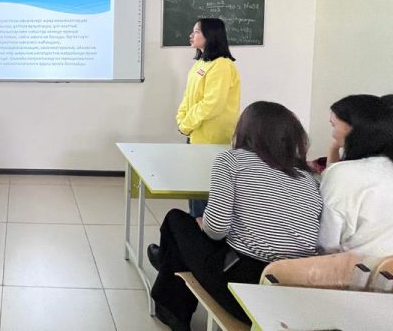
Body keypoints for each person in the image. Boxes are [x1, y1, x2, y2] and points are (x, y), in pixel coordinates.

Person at [149, 102, 322, 330]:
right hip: (298, 294)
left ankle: (173, 309)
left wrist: (202, 222)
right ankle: (167, 266)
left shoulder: (231, 161)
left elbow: (216, 229)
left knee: (177, 221)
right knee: (197, 239)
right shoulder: (307, 177)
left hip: (244, 292)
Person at [176, 18, 240, 217]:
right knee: (194, 186)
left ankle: (204, 230)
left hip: (212, 138)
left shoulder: (222, 66)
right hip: (195, 133)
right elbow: (188, 97)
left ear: (210, 35)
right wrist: (181, 120)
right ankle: (195, 225)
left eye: (196, 31)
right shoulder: (201, 63)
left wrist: (186, 124)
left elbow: (212, 104)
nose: (191, 35)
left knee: (205, 189)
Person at [319, 94, 393, 261]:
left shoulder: (344, 173)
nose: (333, 134)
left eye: (334, 125)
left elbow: (327, 243)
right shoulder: (384, 168)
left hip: (358, 271)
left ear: (353, 128)